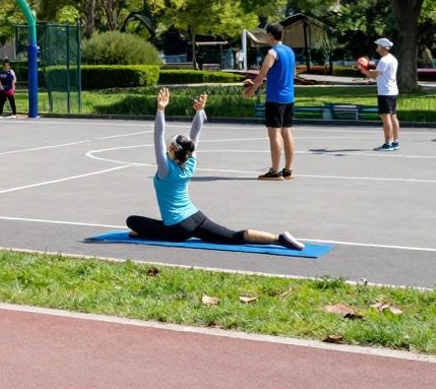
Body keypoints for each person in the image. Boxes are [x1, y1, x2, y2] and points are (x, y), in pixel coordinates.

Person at [126, 88, 304, 250]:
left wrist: (161, 109)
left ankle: (151, 233)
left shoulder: (165, 169)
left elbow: (157, 136)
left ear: (172, 150)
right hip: (196, 217)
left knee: (132, 221)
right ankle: (277, 238)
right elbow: (195, 135)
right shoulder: (190, 163)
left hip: (177, 229)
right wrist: (199, 111)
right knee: (233, 236)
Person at [242, 23, 296, 180]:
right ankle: (288, 169)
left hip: (275, 99)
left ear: (271, 36)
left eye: (266, 34)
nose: (265, 37)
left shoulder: (272, 53)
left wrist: (252, 90)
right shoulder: (290, 52)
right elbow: (288, 74)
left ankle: (274, 170)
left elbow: (261, 74)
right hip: (288, 97)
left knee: (275, 134)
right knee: (287, 131)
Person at [361, 37, 401, 150]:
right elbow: (380, 73)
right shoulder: (392, 59)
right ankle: (395, 142)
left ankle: (388, 143)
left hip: (385, 92)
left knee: (385, 118)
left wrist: (363, 69)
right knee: (393, 116)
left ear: (383, 47)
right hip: (392, 91)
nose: (376, 48)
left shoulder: (384, 60)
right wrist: (370, 68)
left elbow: (375, 76)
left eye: (378, 45)